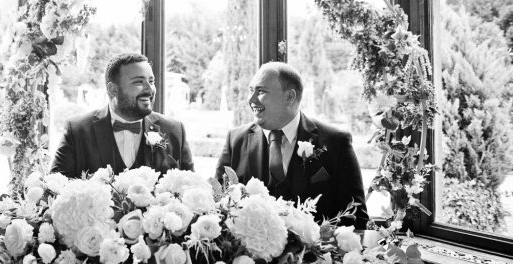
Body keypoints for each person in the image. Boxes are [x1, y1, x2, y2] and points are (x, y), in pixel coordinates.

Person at [215, 61, 368, 228]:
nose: (251, 100)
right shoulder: (235, 140)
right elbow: (217, 208)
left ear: (289, 97)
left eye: (261, 92)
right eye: (251, 91)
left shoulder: (336, 142)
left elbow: (356, 218)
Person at [50, 53, 194, 178]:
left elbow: (191, 191)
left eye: (151, 81)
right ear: (113, 90)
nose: (150, 89)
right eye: (139, 82)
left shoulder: (175, 131)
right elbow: (55, 192)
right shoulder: (77, 131)